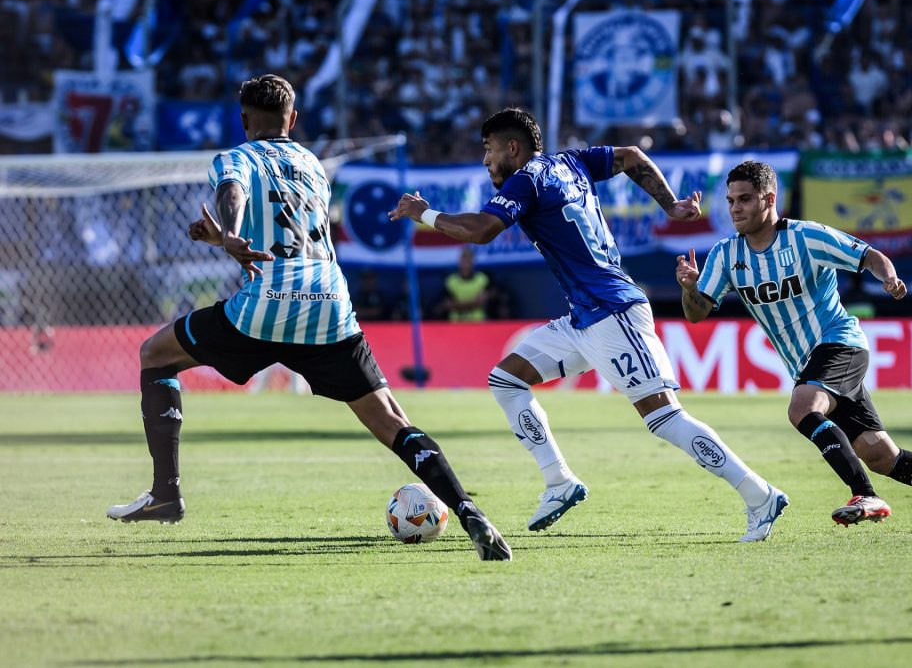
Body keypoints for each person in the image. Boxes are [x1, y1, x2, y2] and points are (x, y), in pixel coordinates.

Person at [106, 74, 511, 561]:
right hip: (328, 304)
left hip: (266, 304)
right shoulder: (312, 163)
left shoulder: (233, 157)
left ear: (243, 119)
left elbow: (233, 192)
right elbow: (291, 225)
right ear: (292, 120)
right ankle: (469, 511)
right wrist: (225, 238)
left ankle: (165, 494)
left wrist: (229, 236)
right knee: (391, 421)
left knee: (155, 354)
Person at [390, 107, 788, 542]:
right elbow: (632, 156)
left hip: (613, 312)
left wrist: (425, 214)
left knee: (665, 418)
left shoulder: (528, 179)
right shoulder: (571, 162)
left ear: (512, 148)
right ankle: (559, 482)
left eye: (488, 150)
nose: (486, 162)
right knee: (506, 379)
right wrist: (670, 203)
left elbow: (484, 229)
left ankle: (759, 495)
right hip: (584, 317)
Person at [675, 160, 912, 530]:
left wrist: (890, 278)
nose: (735, 208)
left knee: (802, 407)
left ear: (769, 199)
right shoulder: (725, 255)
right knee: (880, 454)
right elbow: (696, 313)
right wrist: (690, 289)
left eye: (745, 199)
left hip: (840, 342)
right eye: (731, 200)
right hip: (807, 363)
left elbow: (868, 256)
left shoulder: (805, 237)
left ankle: (864, 494)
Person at [437, 245, 491, 321]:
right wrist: (473, 303)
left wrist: (457, 305)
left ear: (473, 262)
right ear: (459, 262)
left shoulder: (482, 279)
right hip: (456, 324)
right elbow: (447, 304)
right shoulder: (451, 280)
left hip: (478, 322)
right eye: (463, 260)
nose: (466, 264)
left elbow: (482, 302)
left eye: (468, 261)